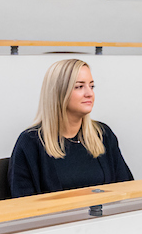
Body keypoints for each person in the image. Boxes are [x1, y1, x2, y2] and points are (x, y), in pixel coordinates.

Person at [8, 58, 133, 197]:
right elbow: (23, 205)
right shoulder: (31, 142)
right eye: (79, 86)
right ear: (59, 92)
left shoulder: (103, 134)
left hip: (104, 218)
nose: (89, 93)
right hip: (57, 219)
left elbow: (126, 189)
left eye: (91, 86)